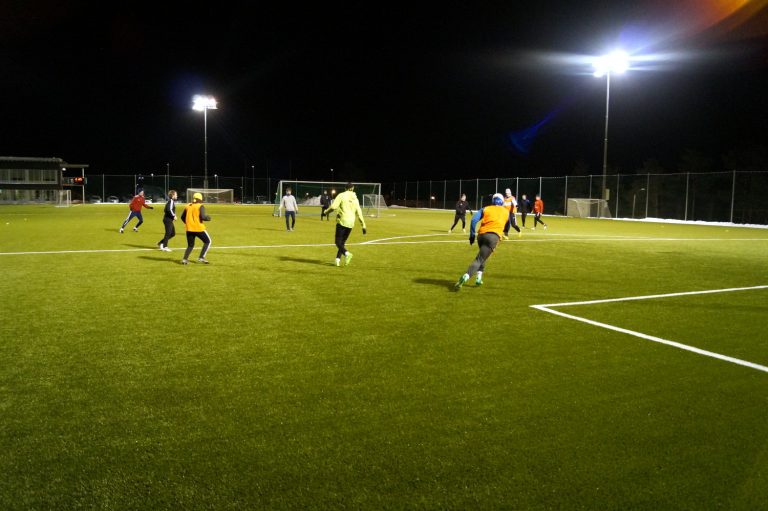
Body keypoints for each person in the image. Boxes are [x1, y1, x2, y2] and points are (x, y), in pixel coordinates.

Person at [454, 193, 509, 290]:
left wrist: (472, 235)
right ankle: (466, 276)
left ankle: (479, 278)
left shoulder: (485, 208)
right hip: (493, 237)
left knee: (482, 256)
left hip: (481, 236)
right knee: (479, 259)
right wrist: (504, 232)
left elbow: (473, 220)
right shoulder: (506, 211)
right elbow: (508, 225)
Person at [325, 182, 367, 266]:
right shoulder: (356, 199)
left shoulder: (341, 195)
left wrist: (326, 212)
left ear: (345, 188)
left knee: (337, 242)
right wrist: (363, 225)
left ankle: (347, 254)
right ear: (353, 188)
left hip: (342, 221)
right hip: (351, 223)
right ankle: (337, 260)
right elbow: (359, 213)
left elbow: (333, 207)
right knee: (342, 243)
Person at [180, 192, 212, 264]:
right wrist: (208, 218)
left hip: (189, 229)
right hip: (198, 228)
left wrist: (188, 223)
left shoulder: (188, 205)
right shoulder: (200, 206)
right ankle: (201, 257)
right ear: (200, 199)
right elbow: (203, 217)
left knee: (190, 245)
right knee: (208, 241)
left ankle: (184, 259)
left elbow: (182, 217)